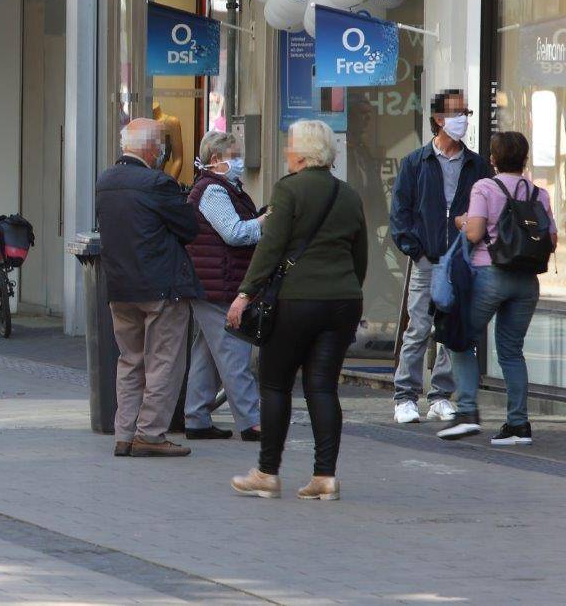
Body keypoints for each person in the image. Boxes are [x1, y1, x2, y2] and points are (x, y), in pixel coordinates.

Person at [228, 120, 367, 501]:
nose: (286, 152)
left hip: (296, 301)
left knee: (275, 384)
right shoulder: (348, 194)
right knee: (322, 387)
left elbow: (270, 247)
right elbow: (359, 255)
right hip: (343, 301)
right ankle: (325, 476)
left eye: (290, 146)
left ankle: (267, 473)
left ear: (302, 154)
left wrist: (245, 293)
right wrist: (347, 290)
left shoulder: (288, 190)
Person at [437, 132, 556, 444]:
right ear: (524, 159)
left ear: (493, 159)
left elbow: (474, 233)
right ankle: (518, 425)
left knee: (460, 339)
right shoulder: (539, 194)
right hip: (527, 280)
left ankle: (466, 412)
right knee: (511, 351)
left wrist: (461, 221)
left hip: (490, 274)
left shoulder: (485, 187)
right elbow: (552, 239)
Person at [95, 118, 202, 458]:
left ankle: (124, 434)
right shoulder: (158, 183)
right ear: (153, 149)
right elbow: (189, 227)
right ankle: (151, 434)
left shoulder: (105, 180)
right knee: (163, 362)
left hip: (120, 285)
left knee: (129, 361)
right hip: (160, 286)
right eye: (160, 147)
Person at [389, 89, 492, 425]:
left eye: (466, 113)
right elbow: (400, 213)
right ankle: (405, 397)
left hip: (461, 261)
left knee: (451, 331)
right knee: (418, 328)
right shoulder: (415, 162)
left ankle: (440, 396)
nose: (463, 119)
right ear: (438, 118)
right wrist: (415, 250)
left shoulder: (477, 165)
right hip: (426, 259)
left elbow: (489, 211)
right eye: (457, 113)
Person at [184, 131, 264, 442]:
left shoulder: (223, 187)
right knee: (234, 352)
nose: (240, 161)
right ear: (216, 160)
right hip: (219, 285)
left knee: (207, 352)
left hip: (213, 282)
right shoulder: (213, 190)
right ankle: (251, 422)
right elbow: (234, 233)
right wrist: (264, 222)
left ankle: (196, 417)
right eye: (235, 155)